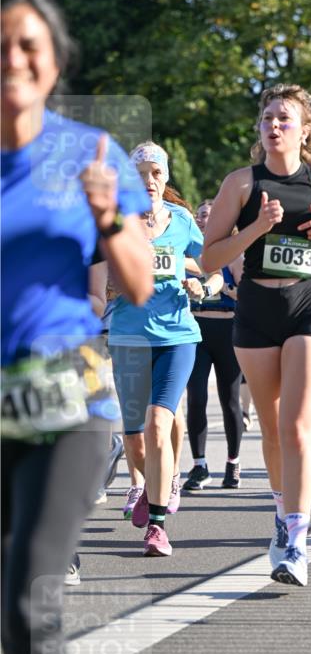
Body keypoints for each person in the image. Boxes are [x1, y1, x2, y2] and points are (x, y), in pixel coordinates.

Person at [1, 0, 153, 654]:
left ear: (53, 64)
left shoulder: (90, 151)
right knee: (9, 618)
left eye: (29, 46)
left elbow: (133, 282)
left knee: (32, 602)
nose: (13, 60)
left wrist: (108, 216)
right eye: (0, 47)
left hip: (70, 401)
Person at [201, 83, 311, 587]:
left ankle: (297, 541)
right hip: (255, 308)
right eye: (267, 117)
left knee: (297, 426)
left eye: (284, 119)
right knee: (271, 430)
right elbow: (209, 258)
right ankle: (281, 512)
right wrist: (257, 229)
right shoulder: (242, 185)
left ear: (305, 129)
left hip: (309, 306)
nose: (274, 126)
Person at [108, 142, 204, 555]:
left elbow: (209, 263)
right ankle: (151, 483)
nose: (149, 181)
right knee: (135, 437)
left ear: (166, 178)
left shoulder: (183, 220)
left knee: (159, 423)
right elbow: (98, 276)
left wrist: (200, 281)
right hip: (128, 335)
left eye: (156, 173)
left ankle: (159, 525)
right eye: (141, 173)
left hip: (177, 335)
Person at [183, 199, 244, 491]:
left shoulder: (230, 251)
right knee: (195, 396)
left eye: (209, 215)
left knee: (230, 399)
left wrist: (228, 289)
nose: (204, 220)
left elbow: (247, 292)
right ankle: (199, 464)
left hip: (227, 327)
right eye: (200, 216)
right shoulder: (189, 253)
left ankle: (233, 462)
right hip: (196, 327)